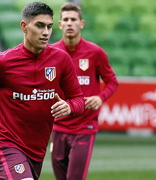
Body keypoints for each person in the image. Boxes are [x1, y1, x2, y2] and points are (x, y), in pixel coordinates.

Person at [0, 2, 85, 180]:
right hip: (6, 147)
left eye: (49, 26)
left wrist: (70, 107)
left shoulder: (61, 60)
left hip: (36, 154)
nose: (46, 32)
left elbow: (78, 99)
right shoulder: (3, 62)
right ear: (24, 27)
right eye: (39, 26)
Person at [50, 2, 119, 180]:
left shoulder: (95, 52)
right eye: (66, 19)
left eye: (74, 19)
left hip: (84, 126)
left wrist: (100, 97)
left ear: (81, 23)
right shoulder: (52, 53)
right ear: (60, 24)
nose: (69, 23)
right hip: (58, 127)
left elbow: (112, 82)